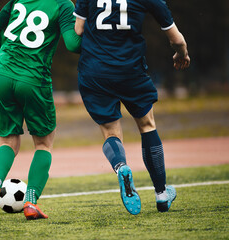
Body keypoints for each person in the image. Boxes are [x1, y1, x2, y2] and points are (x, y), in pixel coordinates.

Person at [73, 0, 190, 215]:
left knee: (110, 132)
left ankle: (121, 167)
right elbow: (176, 38)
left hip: (95, 71)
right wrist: (181, 53)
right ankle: (161, 195)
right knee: (147, 126)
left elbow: (78, 30)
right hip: (130, 70)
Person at [0, 0, 81, 222]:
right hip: (34, 81)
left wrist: (6, 53)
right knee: (43, 144)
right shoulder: (63, 4)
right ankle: (31, 202)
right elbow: (73, 45)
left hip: (3, 75)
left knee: (8, 142)